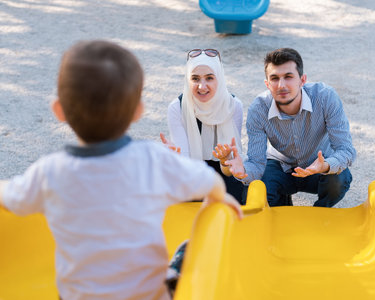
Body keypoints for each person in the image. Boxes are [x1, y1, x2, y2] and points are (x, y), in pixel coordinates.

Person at [0, 40, 242, 300]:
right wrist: (219, 196)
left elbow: (8, 197)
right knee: (185, 255)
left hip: (79, 296)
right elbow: (208, 181)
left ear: (59, 111)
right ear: (138, 111)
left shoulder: (49, 172)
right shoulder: (153, 159)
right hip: (146, 295)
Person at [226, 48, 356, 207]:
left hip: (319, 167)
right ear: (267, 84)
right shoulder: (258, 109)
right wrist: (243, 171)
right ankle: (281, 203)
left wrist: (326, 165)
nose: (281, 85)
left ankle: (320, 213)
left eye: (288, 77)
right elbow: (257, 163)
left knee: (338, 180)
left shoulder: (326, 97)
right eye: (274, 78)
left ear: (302, 80)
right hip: (280, 166)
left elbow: (346, 150)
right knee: (254, 193)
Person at [160, 49, 246, 204]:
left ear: (219, 78)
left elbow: (231, 166)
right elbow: (185, 162)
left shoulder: (233, 106)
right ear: (187, 80)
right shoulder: (177, 108)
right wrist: (173, 157)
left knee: (237, 201)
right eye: (195, 78)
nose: (202, 86)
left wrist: (225, 159)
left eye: (209, 78)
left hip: (224, 170)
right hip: (191, 171)